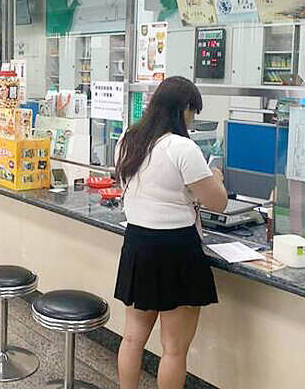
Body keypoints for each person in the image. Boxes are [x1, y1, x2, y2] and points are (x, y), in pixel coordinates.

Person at [114, 76, 227, 389]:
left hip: (137, 245)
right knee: (174, 350)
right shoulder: (182, 147)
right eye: (193, 111)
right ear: (184, 109)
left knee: (132, 339)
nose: (192, 120)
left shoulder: (128, 140)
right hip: (176, 250)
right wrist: (215, 176)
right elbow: (217, 202)